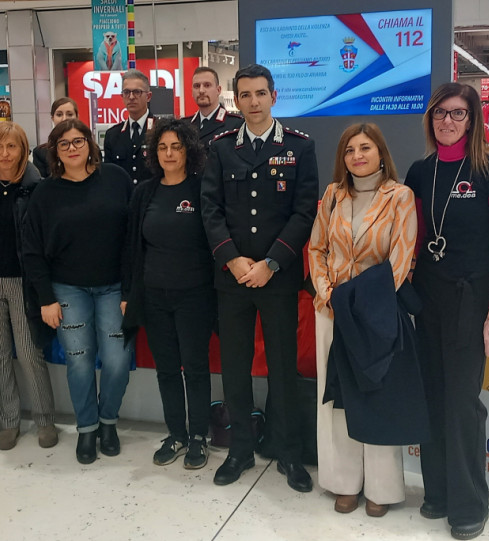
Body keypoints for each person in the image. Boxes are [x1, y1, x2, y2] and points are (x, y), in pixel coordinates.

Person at [406, 82, 489, 540]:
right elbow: (411, 241)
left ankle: (470, 502)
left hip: (470, 303)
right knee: (431, 394)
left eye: (457, 114)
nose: (447, 122)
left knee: (461, 403)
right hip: (427, 298)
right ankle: (437, 491)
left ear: (472, 120)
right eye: (440, 114)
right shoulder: (419, 171)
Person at [201, 64, 318, 490]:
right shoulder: (220, 146)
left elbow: (304, 212)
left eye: (260, 94)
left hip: (278, 278)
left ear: (273, 96)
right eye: (245, 95)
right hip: (232, 278)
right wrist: (233, 261)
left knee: (283, 367)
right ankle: (240, 451)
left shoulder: (299, 148)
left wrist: (270, 264)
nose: (253, 102)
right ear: (236, 99)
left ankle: (289, 453)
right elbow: (210, 209)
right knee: (234, 367)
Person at [308, 123, 417, 517]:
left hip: (375, 314)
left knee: (376, 397)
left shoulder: (400, 196)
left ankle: (382, 488)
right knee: (336, 401)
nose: (357, 155)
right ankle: (343, 482)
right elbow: (317, 247)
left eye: (365, 148)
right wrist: (327, 294)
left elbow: (400, 261)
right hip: (332, 313)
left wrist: (358, 302)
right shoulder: (333, 195)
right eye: (350, 150)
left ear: (380, 152)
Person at [23, 119, 133, 465]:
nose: (72, 148)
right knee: (79, 362)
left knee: (117, 361)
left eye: (78, 140)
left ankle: (108, 422)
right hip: (67, 289)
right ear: (54, 151)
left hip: (114, 288)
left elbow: (133, 239)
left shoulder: (116, 179)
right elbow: (32, 250)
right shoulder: (45, 193)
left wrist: (131, 289)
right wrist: (45, 298)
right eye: (64, 143)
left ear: (90, 143)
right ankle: (86, 429)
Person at [121, 118, 214, 469]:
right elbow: (132, 246)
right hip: (154, 295)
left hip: (195, 295)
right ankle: (176, 433)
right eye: (162, 147)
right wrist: (130, 292)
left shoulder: (202, 188)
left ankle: (199, 436)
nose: (169, 153)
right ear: (153, 153)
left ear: (188, 150)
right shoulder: (145, 191)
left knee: (195, 367)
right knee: (166, 370)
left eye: (176, 146)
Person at [0, 122, 57, 451]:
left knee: (31, 353)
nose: (5, 154)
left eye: (12, 147)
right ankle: (9, 421)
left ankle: (45, 420)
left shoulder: (36, 188)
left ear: (23, 150)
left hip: (23, 281)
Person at [103, 69, 156, 188]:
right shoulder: (113, 135)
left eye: (137, 92)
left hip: (152, 200)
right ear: (122, 96)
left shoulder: (161, 130)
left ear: (148, 96)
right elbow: (109, 176)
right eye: (126, 92)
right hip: (123, 200)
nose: (131, 97)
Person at [190, 66, 243, 145]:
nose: (201, 90)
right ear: (192, 91)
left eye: (207, 85)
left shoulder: (236, 124)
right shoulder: (186, 125)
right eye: (197, 86)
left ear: (218, 90)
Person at [32, 98, 78, 178]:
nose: (64, 119)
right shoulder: (40, 152)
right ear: (52, 118)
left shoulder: (90, 148)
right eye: (59, 115)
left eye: (69, 114)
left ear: (77, 117)